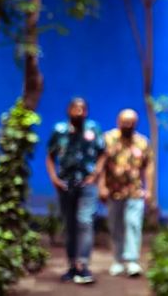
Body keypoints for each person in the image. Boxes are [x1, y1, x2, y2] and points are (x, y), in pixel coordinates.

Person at [46, 97, 105, 284]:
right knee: (69, 225)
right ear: (68, 110)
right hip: (65, 184)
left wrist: (95, 174)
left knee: (85, 221)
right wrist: (54, 178)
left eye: (82, 109)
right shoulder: (59, 130)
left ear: (86, 111)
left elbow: (103, 153)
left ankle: (83, 264)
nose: (78, 112)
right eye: (75, 108)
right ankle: (72, 265)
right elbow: (50, 155)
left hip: (87, 184)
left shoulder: (93, 129)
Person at [99, 108, 153, 277]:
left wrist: (149, 189)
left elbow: (149, 166)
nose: (127, 125)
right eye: (124, 122)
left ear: (135, 123)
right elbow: (100, 166)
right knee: (116, 226)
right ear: (118, 122)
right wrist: (101, 186)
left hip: (134, 191)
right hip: (113, 192)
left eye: (131, 122)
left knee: (133, 224)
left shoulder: (142, 142)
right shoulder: (108, 139)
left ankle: (132, 261)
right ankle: (117, 259)